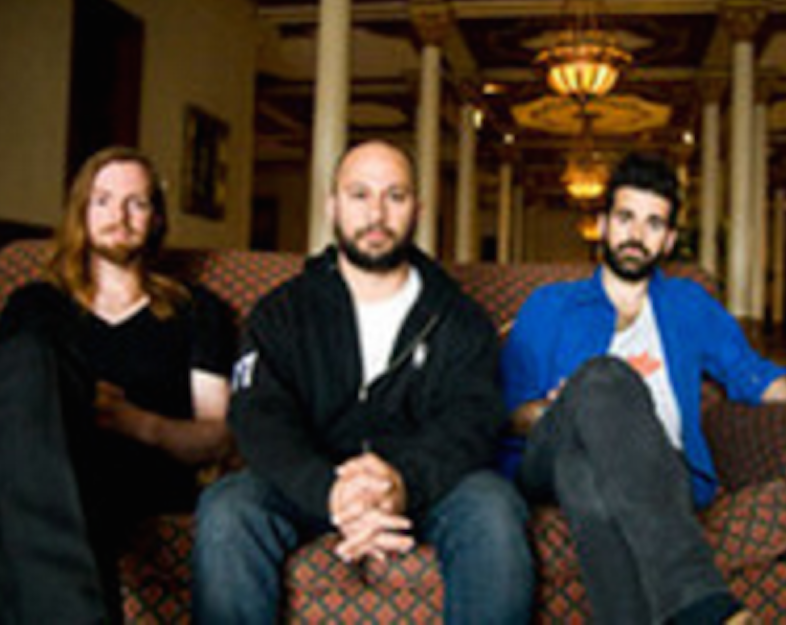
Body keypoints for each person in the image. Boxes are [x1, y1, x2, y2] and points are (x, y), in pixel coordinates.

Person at [193, 140, 534, 624]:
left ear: (418, 209)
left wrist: (401, 483)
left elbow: (472, 420)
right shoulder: (281, 312)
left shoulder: (459, 317)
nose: (377, 213)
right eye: (360, 195)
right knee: (227, 509)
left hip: (425, 485)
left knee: (495, 509)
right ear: (332, 205)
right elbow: (258, 416)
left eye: (395, 196)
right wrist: (331, 492)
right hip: (307, 481)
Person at [501, 152, 786, 625]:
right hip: (546, 455)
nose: (636, 235)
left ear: (669, 239)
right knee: (602, 378)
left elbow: (751, 375)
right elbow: (508, 414)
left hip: (663, 467)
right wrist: (566, 406)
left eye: (653, 224)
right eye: (625, 218)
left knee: (584, 475)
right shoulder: (550, 305)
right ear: (603, 224)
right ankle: (704, 603)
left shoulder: (689, 304)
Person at [0, 146, 235, 623]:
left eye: (135, 203)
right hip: (44, 468)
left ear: (156, 218)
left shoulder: (195, 310)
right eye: (102, 201)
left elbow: (218, 435)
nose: (118, 217)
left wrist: (134, 421)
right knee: (31, 355)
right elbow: (8, 416)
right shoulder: (35, 304)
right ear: (81, 211)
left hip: (139, 475)